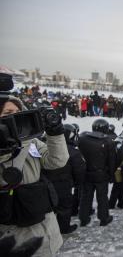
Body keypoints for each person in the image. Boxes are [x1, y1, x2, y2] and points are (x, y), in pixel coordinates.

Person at [0, 95, 69, 256]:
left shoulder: (30, 141)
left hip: (46, 228)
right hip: (15, 237)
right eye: (8, 112)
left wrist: (55, 133)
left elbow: (57, 161)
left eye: (18, 111)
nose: (14, 116)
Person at [42, 124, 86, 234]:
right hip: (63, 183)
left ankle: (48, 229)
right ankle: (63, 228)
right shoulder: (73, 151)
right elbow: (79, 170)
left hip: (47, 182)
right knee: (64, 207)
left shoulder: (44, 147)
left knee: (48, 207)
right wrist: (77, 182)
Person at [78, 118, 116, 227]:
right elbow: (112, 161)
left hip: (87, 173)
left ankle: (84, 218)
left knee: (85, 197)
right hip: (101, 174)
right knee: (102, 197)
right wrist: (112, 176)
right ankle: (104, 218)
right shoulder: (108, 141)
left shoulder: (83, 138)